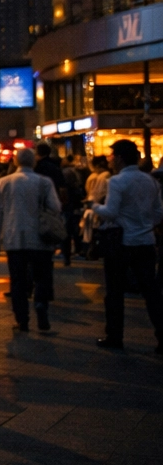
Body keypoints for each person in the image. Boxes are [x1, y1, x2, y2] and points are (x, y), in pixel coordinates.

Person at [93, 139, 163, 352]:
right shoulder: (151, 181)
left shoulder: (117, 181)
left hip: (122, 242)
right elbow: (159, 213)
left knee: (114, 291)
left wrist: (94, 206)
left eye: (112, 157)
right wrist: (145, 224)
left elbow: (111, 212)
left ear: (121, 158)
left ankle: (115, 335)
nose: (111, 161)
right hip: (146, 241)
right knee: (151, 292)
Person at [0, 147, 62, 333]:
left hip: (14, 237)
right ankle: (41, 304)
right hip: (40, 238)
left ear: (15, 161)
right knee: (42, 276)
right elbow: (55, 207)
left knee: (18, 280)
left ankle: (22, 319)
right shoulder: (44, 182)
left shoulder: (3, 182)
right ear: (34, 162)